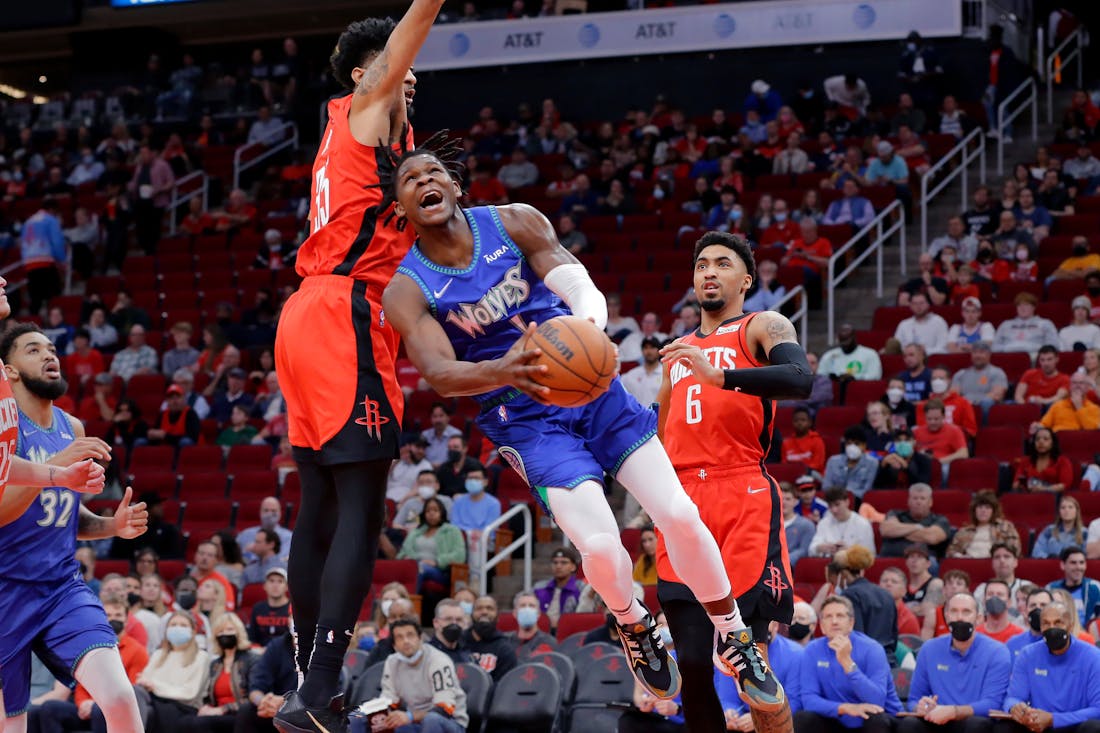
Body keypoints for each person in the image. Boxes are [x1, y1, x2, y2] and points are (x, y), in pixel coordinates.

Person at [384, 151, 782, 706]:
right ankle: (634, 623)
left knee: (679, 515)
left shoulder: (513, 221)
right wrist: (508, 368)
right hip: (522, 419)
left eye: (433, 172)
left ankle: (734, 635)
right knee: (599, 545)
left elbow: (579, 285)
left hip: (593, 393)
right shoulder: (406, 289)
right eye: (409, 178)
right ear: (399, 206)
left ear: (454, 185)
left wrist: (588, 332)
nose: (424, 180)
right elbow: (440, 374)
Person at [269, 3, 445, 728]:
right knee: (361, 507)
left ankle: (313, 686)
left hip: (309, 314)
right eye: (399, 74)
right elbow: (405, 42)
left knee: (321, 508)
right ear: (370, 73)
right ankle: (320, 690)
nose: (409, 86)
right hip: (343, 314)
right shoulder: (367, 104)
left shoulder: (361, 140)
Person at [0, 323, 138, 732]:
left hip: (62, 587)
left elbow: (65, 516)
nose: (49, 356)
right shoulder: (7, 431)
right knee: (12, 727)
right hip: (6, 590)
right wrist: (58, 466)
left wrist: (112, 525)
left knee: (118, 696)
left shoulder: (72, 427)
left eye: (51, 348)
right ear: (8, 371)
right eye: (33, 350)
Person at [902, 591, 1009, 733]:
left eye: (966, 612)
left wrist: (954, 711)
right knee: (909, 724)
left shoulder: (997, 652)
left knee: (977, 724)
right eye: (954, 611)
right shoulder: (929, 648)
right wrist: (919, 707)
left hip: (973, 720)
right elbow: (914, 699)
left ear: (979, 619)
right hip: (936, 720)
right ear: (946, 617)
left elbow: (993, 704)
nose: (959, 617)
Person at [794, 595, 900, 733]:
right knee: (803, 718)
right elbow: (809, 700)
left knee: (875, 718)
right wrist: (845, 708)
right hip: (837, 717)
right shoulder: (812, 650)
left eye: (840, 616)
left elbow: (876, 700)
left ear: (851, 623)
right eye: (828, 616)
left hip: (875, 719)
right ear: (822, 626)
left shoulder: (872, 649)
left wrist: (847, 663)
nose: (834, 621)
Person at [999, 602, 1100, 733]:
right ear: (1040, 627)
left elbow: (1097, 709)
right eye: (1046, 623)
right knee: (1004, 727)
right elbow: (1013, 697)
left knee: (1094, 728)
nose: (1052, 628)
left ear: (1070, 625)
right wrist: (1015, 707)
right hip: (1038, 725)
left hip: (1074, 725)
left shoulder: (1093, 656)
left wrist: (1054, 719)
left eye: (1058, 623)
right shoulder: (1028, 654)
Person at [379, 616, 468, 732]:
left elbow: (445, 709)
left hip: (450, 722)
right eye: (399, 637)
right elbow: (389, 701)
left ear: (420, 638)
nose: (406, 641)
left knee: (431, 720)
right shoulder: (392, 662)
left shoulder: (438, 660)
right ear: (394, 645)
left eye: (410, 635)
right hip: (415, 722)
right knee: (382, 722)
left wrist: (410, 716)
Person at [174, 612, 256, 733]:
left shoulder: (251, 660)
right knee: (183, 722)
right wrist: (206, 707)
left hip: (239, 715)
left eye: (229, 629)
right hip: (216, 713)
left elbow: (252, 698)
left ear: (239, 632)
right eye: (220, 631)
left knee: (199, 724)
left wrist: (223, 709)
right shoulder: (216, 664)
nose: (225, 634)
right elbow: (209, 696)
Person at [136, 612, 211, 730]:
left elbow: (190, 693)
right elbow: (144, 680)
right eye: (173, 625)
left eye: (183, 625)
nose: (177, 628)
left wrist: (154, 686)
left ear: (193, 631)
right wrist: (148, 684)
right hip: (153, 701)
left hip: (182, 707)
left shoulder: (201, 657)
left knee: (145, 709)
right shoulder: (158, 654)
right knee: (136, 694)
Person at [396, 497, 465, 593]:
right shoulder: (416, 532)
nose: (431, 513)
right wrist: (406, 557)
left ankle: (410, 602)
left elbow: (460, 555)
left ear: (442, 513)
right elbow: (402, 553)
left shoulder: (452, 530)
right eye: (428, 511)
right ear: (424, 514)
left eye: (435, 510)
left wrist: (437, 561)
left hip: (440, 571)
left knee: (420, 568)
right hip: (415, 565)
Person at [237, 632, 296, 733]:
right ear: (288, 620)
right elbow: (255, 688)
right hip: (275, 710)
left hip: (306, 708)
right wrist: (264, 702)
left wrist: (285, 704)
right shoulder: (276, 645)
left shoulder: (321, 647)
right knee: (246, 711)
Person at [879, 484, 951, 558]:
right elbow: (886, 530)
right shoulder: (895, 514)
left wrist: (899, 531)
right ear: (908, 501)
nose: (918, 502)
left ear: (930, 502)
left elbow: (931, 537)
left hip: (925, 562)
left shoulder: (940, 519)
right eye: (915, 498)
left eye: (922, 498)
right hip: (890, 558)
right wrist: (918, 527)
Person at [947, 494, 1022, 558]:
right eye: (980, 507)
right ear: (974, 510)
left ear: (993, 511)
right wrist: (960, 557)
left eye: (987, 507)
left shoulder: (1006, 527)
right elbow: (951, 551)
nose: (983, 510)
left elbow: (1015, 549)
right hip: (968, 563)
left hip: (994, 564)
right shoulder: (964, 531)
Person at [462, 595, 517, 682]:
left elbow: (504, 687)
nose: (484, 612)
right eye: (479, 608)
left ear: (498, 617)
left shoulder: (505, 649)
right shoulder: (458, 642)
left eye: (490, 608)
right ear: (471, 615)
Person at [809, 489, 875, 558]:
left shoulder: (863, 524)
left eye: (837, 504)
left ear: (847, 502)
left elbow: (870, 554)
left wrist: (850, 551)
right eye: (830, 506)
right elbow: (811, 549)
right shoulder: (824, 523)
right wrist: (820, 548)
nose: (834, 510)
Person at [1048, 547, 1100, 630]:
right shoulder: (1050, 589)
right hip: (1057, 634)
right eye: (1073, 563)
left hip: (1087, 636)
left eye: (1081, 562)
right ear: (1063, 565)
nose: (1078, 567)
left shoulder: (1096, 587)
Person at [951, 342, 1007, 415]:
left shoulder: (997, 373)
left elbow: (997, 395)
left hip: (985, 406)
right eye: (975, 352)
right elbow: (954, 394)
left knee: (987, 402)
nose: (978, 355)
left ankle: (984, 426)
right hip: (965, 405)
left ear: (989, 355)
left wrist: (973, 401)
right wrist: (965, 402)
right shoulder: (961, 374)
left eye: (981, 352)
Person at [822, 427, 878, 500]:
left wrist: (848, 496)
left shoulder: (872, 463)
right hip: (834, 501)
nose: (852, 447)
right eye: (849, 443)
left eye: (857, 444)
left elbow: (866, 491)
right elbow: (826, 487)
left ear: (864, 446)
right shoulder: (833, 461)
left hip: (858, 502)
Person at [994, 294, 1059, 355]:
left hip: (1036, 358)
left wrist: (1032, 348)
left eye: (1026, 305)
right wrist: (1009, 348)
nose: (1022, 308)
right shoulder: (1005, 325)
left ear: (1034, 307)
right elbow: (994, 347)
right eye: (1019, 305)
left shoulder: (1045, 324)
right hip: (1008, 357)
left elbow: (1053, 347)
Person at [236, 498, 292, 566]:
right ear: (260, 512)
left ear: (280, 513)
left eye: (273, 511)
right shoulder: (246, 534)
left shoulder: (289, 537)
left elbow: (284, 560)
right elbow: (234, 556)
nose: (269, 514)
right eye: (266, 510)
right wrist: (246, 552)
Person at [913, 400, 969, 468]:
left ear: (943, 417)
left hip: (944, 465)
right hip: (921, 466)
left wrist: (938, 462)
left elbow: (964, 453)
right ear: (925, 417)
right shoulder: (917, 432)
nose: (932, 422)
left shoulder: (954, 431)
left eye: (936, 419)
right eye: (929, 419)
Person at [817, 324, 882, 381]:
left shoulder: (870, 354)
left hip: (858, 390)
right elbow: (820, 375)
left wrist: (854, 378)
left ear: (854, 338)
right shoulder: (829, 355)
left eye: (847, 342)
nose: (845, 346)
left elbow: (875, 376)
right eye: (842, 342)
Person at [248, 568, 291, 648]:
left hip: (287, 652)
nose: (275, 585)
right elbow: (252, 638)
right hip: (260, 652)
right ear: (264, 586)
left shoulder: (293, 609)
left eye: (280, 581)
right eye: (271, 581)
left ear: (287, 587)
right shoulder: (257, 608)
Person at [1033, 496, 1086, 560]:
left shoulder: (1085, 532)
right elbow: (1037, 552)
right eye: (1063, 508)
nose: (1066, 510)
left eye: (1070, 507)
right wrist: (1048, 558)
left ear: (1077, 511)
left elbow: (1087, 555)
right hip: (1050, 565)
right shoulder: (1049, 530)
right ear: (1059, 512)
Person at [1006, 587, 1052, 658]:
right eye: (1033, 605)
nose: (1038, 609)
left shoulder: (1062, 642)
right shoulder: (1013, 643)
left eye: (1043, 605)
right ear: (1026, 610)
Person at [508, 591, 556, 657]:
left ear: (538, 613)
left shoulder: (549, 642)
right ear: (515, 613)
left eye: (531, 606)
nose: (527, 609)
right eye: (523, 606)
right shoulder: (505, 641)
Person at [780, 407, 826, 476]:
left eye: (803, 420)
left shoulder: (817, 440)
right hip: (791, 475)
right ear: (792, 422)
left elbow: (817, 465)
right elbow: (784, 464)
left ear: (810, 422)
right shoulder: (786, 443)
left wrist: (800, 471)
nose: (799, 423)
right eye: (796, 420)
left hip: (812, 475)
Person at [975, 579, 1022, 643]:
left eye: (1000, 594)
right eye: (990, 594)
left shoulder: (1019, 635)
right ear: (984, 601)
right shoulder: (975, 635)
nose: (994, 598)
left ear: (1009, 602)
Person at [621, 336, 663, 407]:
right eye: (646, 348)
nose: (649, 351)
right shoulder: (632, 374)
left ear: (659, 351)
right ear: (642, 351)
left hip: (659, 416)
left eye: (652, 347)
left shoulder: (666, 374)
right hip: (637, 416)